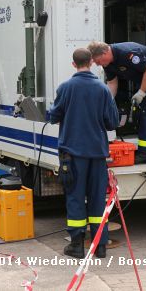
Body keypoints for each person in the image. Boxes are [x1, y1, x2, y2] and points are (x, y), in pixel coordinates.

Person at [48, 48, 119, 259]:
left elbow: (53, 116)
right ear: (91, 62)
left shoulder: (66, 88)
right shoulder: (103, 89)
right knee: (98, 199)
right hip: (97, 154)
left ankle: (77, 246)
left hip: (73, 155)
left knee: (76, 198)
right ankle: (100, 247)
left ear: (73, 64)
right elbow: (112, 122)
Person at [87, 41, 146, 164]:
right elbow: (112, 83)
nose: (98, 64)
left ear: (104, 53)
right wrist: (108, 102)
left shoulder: (126, 53)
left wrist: (141, 93)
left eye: (97, 61)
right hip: (144, 74)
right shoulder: (107, 63)